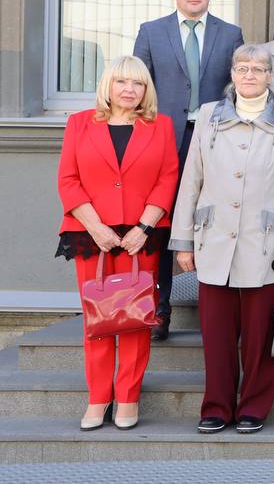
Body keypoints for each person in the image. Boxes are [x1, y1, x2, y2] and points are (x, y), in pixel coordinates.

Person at [168, 44, 274, 435]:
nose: (249, 75)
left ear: (270, 76)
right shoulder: (209, 116)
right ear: (232, 74)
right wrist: (183, 241)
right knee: (216, 336)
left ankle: (254, 406)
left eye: (258, 69)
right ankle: (216, 406)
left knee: (260, 336)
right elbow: (191, 180)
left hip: (268, 244)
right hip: (214, 240)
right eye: (242, 68)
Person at [55, 55, 179, 431]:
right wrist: (96, 227)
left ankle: (127, 398)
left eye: (138, 83)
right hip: (90, 234)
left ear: (146, 90)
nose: (129, 89)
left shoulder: (161, 126)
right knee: (98, 318)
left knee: (135, 320)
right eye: (122, 81)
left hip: (141, 237)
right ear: (107, 86)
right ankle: (98, 398)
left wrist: (143, 227)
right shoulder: (79, 123)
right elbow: (68, 179)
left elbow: (168, 177)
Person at [133, 0, 244, 341]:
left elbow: (239, 90)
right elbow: (138, 88)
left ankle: (225, 312)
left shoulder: (230, 34)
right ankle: (158, 311)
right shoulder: (151, 32)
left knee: (217, 220)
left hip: (216, 141)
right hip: (164, 141)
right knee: (162, 224)